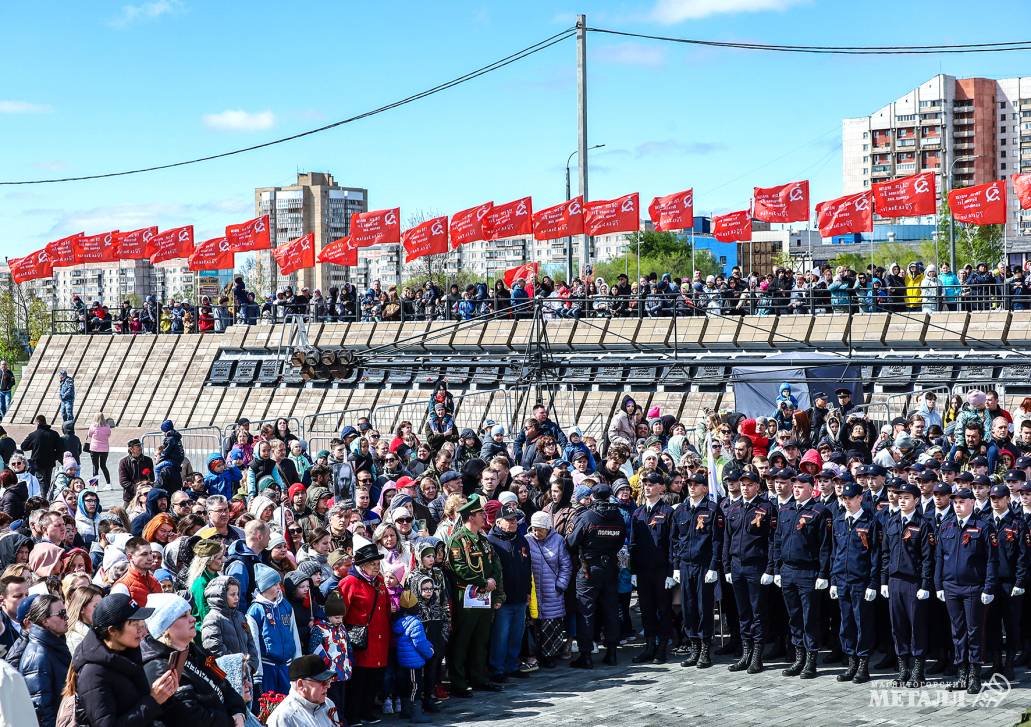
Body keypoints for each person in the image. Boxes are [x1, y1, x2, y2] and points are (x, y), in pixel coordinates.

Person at [71, 593, 179, 727]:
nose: (142, 630)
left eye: (142, 623)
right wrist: (153, 700)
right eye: (134, 624)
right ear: (112, 631)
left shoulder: (128, 649)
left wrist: (165, 694)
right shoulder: (93, 674)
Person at [140, 593, 248, 727]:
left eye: (190, 614)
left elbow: (223, 681)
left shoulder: (196, 651)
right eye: (183, 616)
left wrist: (238, 711)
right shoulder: (160, 667)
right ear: (166, 628)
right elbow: (188, 715)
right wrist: (230, 722)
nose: (192, 619)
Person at [934, 486, 998, 695]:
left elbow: (991, 560)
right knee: (957, 631)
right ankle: (961, 672)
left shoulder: (983, 526)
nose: (958, 505)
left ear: (972, 502)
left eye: (962, 501)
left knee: (974, 632)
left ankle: (974, 675)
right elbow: (939, 558)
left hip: (973, 587)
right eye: (955, 501)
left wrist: (988, 587)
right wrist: (938, 584)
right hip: (951, 586)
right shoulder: (946, 526)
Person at [771, 473, 832, 679]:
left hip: (808, 571)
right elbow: (777, 541)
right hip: (788, 570)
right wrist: (777, 569)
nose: (796, 490)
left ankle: (811, 660)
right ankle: (799, 658)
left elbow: (825, 546)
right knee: (794, 617)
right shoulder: (786, 510)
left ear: (810, 488)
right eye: (794, 487)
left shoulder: (819, 511)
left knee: (810, 618)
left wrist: (823, 573)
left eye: (800, 487)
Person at [444, 494, 505, 694]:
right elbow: (459, 567)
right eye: (479, 513)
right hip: (466, 598)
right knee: (462, 640)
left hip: (484, 597)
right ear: (471, 516)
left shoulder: (483, 540)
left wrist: (494, 586)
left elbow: (494, 563)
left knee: (481, 639)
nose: (483, 516)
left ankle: (479, 677)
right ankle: (459, 682)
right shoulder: (458, 540)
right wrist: (482, 582)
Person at [565, 483, 627, 668]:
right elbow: (621, 540)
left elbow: (571, 542)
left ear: (592, 497)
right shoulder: (618, 516)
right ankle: (612, 652)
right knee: (610, 610)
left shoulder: (587, 517)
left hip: (589, 568)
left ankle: (586, 655)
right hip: (610, 566)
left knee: (586, 610)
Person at [723, 470, 777, 674]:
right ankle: (746, 653)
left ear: (757, 487)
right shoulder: (734, 508)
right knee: (743, 612)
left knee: (757, 613)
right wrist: (726, 565)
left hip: (756, 566)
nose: (745, 488)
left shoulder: (766, 508)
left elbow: (772, 540)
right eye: (742, 484)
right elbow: (727, 539)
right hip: (737, 566)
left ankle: (757, 655)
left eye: (749, 484)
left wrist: (770, 568)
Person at [668, 473, 723, 669]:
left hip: (703, 565)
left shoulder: (712, 509)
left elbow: (717, 540)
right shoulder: (681, 510)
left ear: (705, 489)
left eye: (696, 484)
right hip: (685, 565)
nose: (691, 487)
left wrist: (713, 566)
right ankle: (694, 647)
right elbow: (674, 540)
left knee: (704, 608)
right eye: (689, 484)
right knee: (688, 607)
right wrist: (675, 566)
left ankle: (706, 648)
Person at [881, 482, 934, 686]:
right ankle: (903, 669)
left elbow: (928, 558)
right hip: (895, 581)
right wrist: (884, 581)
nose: (902, 501)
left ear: (916, 500)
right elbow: (885, 554)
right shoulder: (892, 522)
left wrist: (925, 585)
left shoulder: (923, 524)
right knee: (898, 627)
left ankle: (918, 671)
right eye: (899, 497)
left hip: (914, 583)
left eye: (906, 498)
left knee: (917, 627)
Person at [829, 481, 880, 685]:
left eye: (850, 498)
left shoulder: (870, 522)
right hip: (842, 579)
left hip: (861, 580)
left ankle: (863, 664)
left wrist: (873, 583)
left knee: (862, 623)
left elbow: (876, 555)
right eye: (844, 499)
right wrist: (833, 579)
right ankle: (851, 661)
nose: (847, 502)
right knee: (846, 623)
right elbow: (835, 553)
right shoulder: (840, 520)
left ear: (860, 498)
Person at [339, 533, 391, 725]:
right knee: (359, 680)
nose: (376, 566)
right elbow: (339, 611)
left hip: (379, 639)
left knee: (374, 679)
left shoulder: (379, 582)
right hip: (360, 640)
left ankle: (367, 711)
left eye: (377, 563)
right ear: (361, 565)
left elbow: (385, 609)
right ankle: (353, 714)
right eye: (372, 563)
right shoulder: (349, 583)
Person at [486, 501, 531, 682]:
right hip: (503, 599)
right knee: (500, 636)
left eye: (515, 520)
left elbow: (528, 567)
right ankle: (497, 669)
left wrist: (528, 591)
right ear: (498, 522)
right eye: (509, 520)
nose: (513, 523)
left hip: (520, 596)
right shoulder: (491, 541)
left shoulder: (521, 540)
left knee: (516, 635)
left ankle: (512, 665)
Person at [245, 564, 301, 698]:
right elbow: (254, 643)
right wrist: (257, 672)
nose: (278, 587)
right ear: (264, 587)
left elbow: (294, 635)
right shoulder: (255, 611)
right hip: (267, 667)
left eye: (278, 583)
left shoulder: (286, 606)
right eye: (274, 584)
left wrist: (297, 663)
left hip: (286, 667)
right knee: (268, 705)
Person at [19, 594, 71, 727]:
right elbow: (42, 712)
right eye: (61, 614)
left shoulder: (55, 644)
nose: (67, 617)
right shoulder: (38, 657)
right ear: (44, 621)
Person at [393, 589, 434, 723]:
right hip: (413, 662)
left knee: (404, 686)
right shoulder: (415, 623)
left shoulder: (399, 622)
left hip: (402, 661)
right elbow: (420, 643)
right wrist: (430, 652)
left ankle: (405, 711)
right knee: (416, 687)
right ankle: (416, 713)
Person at [267, 655, 340, 727]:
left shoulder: (329, 704)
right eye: (323, 682)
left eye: (328, 681)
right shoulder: (284, 718)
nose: (328, 686)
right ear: (300, 684)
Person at [118, 439, 154, 506]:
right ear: (131, 449)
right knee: (125, 514)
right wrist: (137, 488)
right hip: (130, 496)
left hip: (145, 495)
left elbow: (152, 478)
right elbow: (123, 481)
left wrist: (147, 484)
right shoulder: (124, 462)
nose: (140, 448)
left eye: (140, 445)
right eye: (137, 446)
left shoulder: (148, 460)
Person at [86, 414, 113, 486]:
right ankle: (108, 484)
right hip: (104, 448)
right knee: (103, 466)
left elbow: (89, 435)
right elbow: (109, 434)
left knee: (95, 467)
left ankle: (95, 486)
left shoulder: (93, 426)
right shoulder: (107, 426)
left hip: (94, 448)